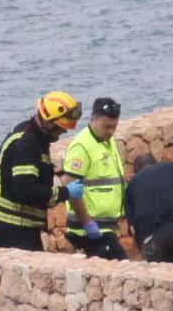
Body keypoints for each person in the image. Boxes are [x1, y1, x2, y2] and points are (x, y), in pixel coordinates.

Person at [0, 91, 79, 247]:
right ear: (49, 122)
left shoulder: (35, 137)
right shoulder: (27, 144)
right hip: (13, 225)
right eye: (60, 128)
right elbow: (26, 191)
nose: (63, 132)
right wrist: (65, 192)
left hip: (21, 224)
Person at [54, 96, 131, 260]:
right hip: (91, 229)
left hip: (107, 226)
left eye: (114, 127)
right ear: (93, 119)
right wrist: (88, 223)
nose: (111, 131)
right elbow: (71, 187)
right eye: (107, 126)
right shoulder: (82, 146)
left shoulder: (107, 142)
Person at [125, 138, 173, 263]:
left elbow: (133, 229)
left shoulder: (132, 186)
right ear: (156, 163)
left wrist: (141, 247)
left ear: (136, 173)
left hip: (151, 238)